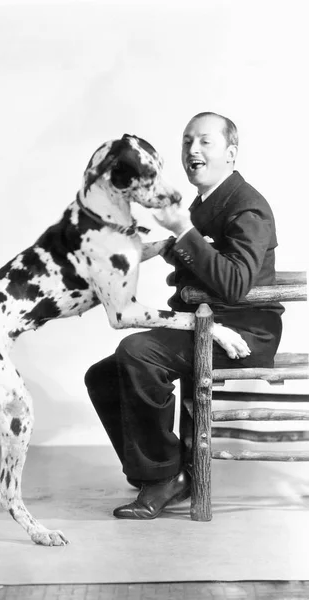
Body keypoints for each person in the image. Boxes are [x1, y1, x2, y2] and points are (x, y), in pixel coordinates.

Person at [84, 112, 283, 520]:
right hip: (206, 322)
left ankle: (163, 478)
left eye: (205, 142)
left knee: (139, 352)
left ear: (230, 153)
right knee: (101, 375)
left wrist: (183, 231)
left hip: (246, 332)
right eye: (187, 141)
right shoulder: (207, 201)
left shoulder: (247, 206)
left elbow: (235, 283)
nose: (192, 150)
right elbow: (194, 267)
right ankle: (162, 469)